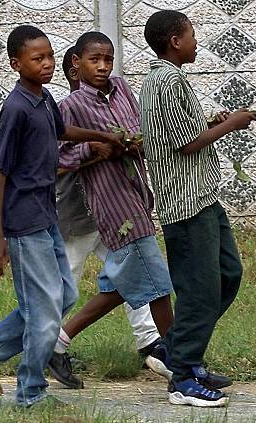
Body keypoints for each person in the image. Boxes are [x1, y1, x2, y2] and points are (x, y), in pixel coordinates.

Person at [0, 25, 129, 408]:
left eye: (50, 56)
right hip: (22, 222)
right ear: (16, 63)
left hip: (46, 214)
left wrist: (101, 137)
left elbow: (61, 130)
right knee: (44, 311)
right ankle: (31, 392)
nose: (47, 64)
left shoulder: (44, 98)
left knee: (64, 295)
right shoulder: (16, 107)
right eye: (37, 59)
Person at [139, 10, 256, 407]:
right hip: (186, 204)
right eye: (191, 34)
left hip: (203, 195)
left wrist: (214, 121)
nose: (196, 40)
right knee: (200, 290)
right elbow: (186, 144)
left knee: (228, 274)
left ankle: (171, 349)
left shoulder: (168, 79)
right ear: (175, 40)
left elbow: (184, 130)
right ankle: (183, 378)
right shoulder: (167, 81)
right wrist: (234, 123)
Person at [53, 32, 175, 385]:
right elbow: (55, 157)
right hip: (92, 210)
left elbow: (140, 131)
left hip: (131, 198)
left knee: (126, 282)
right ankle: (178, 361)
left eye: (108, 59)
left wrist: (133, 143)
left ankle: (152, 345)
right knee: (64, 290)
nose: (104, 67)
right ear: (76, 66)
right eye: (95, 60)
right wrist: (91, 149)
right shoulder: (68, 108)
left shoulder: (122, 89)